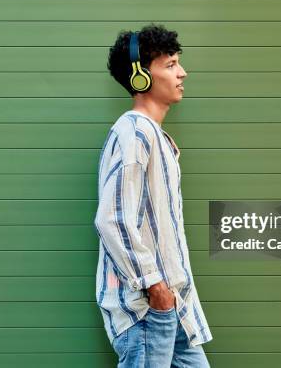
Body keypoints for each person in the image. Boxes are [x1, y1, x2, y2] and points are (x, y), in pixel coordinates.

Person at [94, 23, 212, 367]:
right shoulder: (134, 133)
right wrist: (155, 288)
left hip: (172, 308)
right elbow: (112, 219)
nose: (182, 73)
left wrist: (168, 297)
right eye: (170, 64)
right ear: (141, 77)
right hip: (147, 311)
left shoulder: (153, 136)